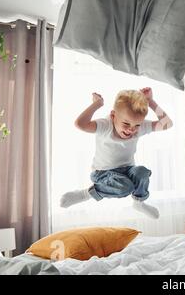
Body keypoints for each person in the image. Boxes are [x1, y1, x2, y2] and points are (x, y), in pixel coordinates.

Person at [60, 87, 172, 219]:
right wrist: (96, 104)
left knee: (142, 172)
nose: (131, 129)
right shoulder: (106, 125)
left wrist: (150, 101)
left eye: (137, 125)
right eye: (126, 123)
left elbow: (167, 124)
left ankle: (138, 202)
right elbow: (80, 124)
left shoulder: (139, 128)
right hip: (103, 173)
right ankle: (86, 194)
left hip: (128, 170)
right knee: (125, 187)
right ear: (113, 116)